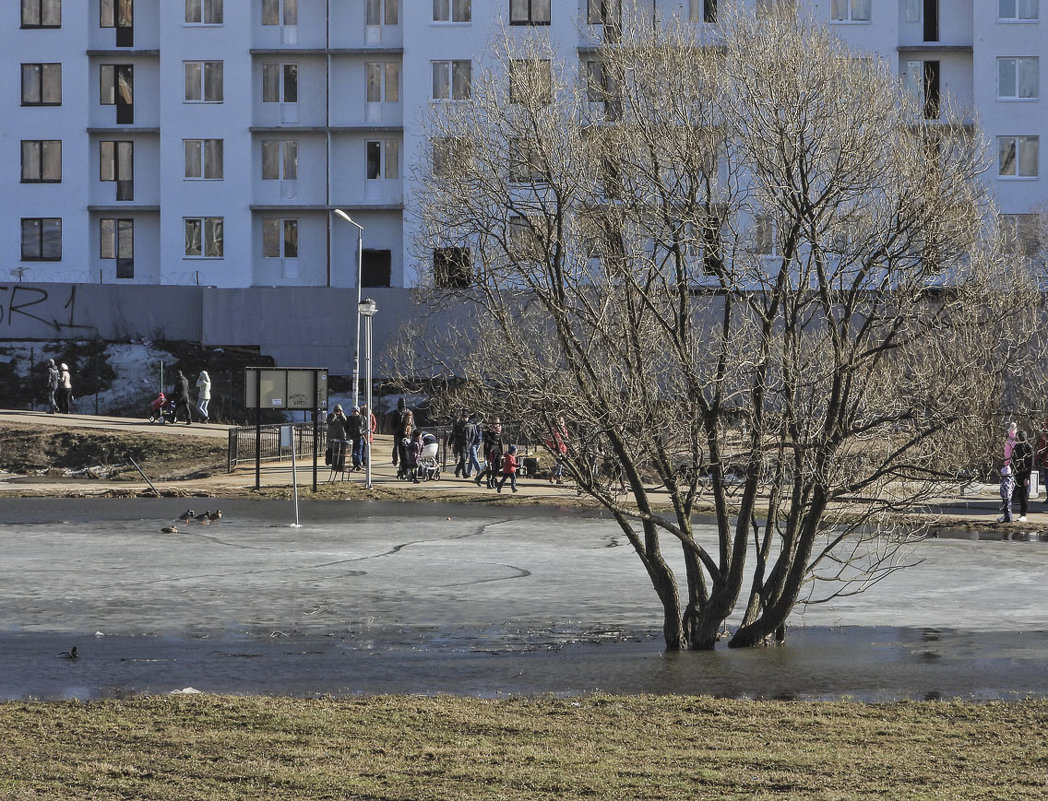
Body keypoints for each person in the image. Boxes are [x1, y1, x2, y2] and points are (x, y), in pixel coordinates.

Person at [476, 417, 504, 489]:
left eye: (497, 423)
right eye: (495, 423)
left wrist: (502, 452)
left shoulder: (499, 430)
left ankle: (491, 480)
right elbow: (486, 444)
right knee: (490, 467)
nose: (496, 426)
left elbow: (500, 442)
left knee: (497, 466)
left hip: (497, 451)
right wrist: (486, 454)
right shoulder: (488, 432)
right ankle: (489, 482)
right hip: (491, 450)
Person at [1012, 430, 1033, 522]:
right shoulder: (1017, 446)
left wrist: (1027, 477)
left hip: (1024, 473)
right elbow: (1014, 459)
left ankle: (1023, 514)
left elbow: (1030, 464)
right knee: (1012, 494)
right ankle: (1007, 512)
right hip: (1017, 473)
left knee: (1023, 495)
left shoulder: (1028, 447)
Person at [999, 422, 1017, 524]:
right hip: (1013, 469)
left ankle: (1007, 516)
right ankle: (1007, 515)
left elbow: (1007, 456)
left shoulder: (1009, 442)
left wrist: (1006, 464)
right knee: (1009, 492)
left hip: (1008, 469)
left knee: (1006, 493)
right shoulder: (1015, 442)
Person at [327, 404, 350, 473]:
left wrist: (342, 416)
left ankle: (341, 466)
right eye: (336, 410)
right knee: (333, 452)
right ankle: (334, 466)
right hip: (333, 438)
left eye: (339, 411)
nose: (338, 412)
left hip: (341, 437)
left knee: (341, 453)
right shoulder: (330, 416)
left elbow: (346, 423)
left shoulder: (342, 417)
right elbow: (330, 422)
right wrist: (334, 415)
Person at [465, 413, 482, 479]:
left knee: (473, 456)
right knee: (472, 457)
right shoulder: (478, 423)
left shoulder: (470, 423)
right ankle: (469, 472)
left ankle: (479, 469)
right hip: (478, 441)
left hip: (472, 442)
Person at [451, 411, 469, 478]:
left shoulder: (469, 425)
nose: (464, 418)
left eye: (466, 417)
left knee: (464, 459)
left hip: (467, 444)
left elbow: (472, 435)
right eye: (463, 417)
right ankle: (464, 473)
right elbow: (453, 434)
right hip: (460, 443)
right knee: (463, 458)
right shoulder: (457, 425)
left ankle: (457, 470)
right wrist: (450, 442)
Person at [346, 406, 364, 471]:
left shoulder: (362, 418)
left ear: (358, 412)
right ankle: (355, 464)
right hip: (352, 437)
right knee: (354, 452)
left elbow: (366, 427)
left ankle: (358, 464)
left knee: (359, 451)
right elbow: (347, 427)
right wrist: (348, 433)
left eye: (355, 411)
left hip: (360, 437)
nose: (354, 413)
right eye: (353, 411)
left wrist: (361, 432)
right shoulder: (350, 419)